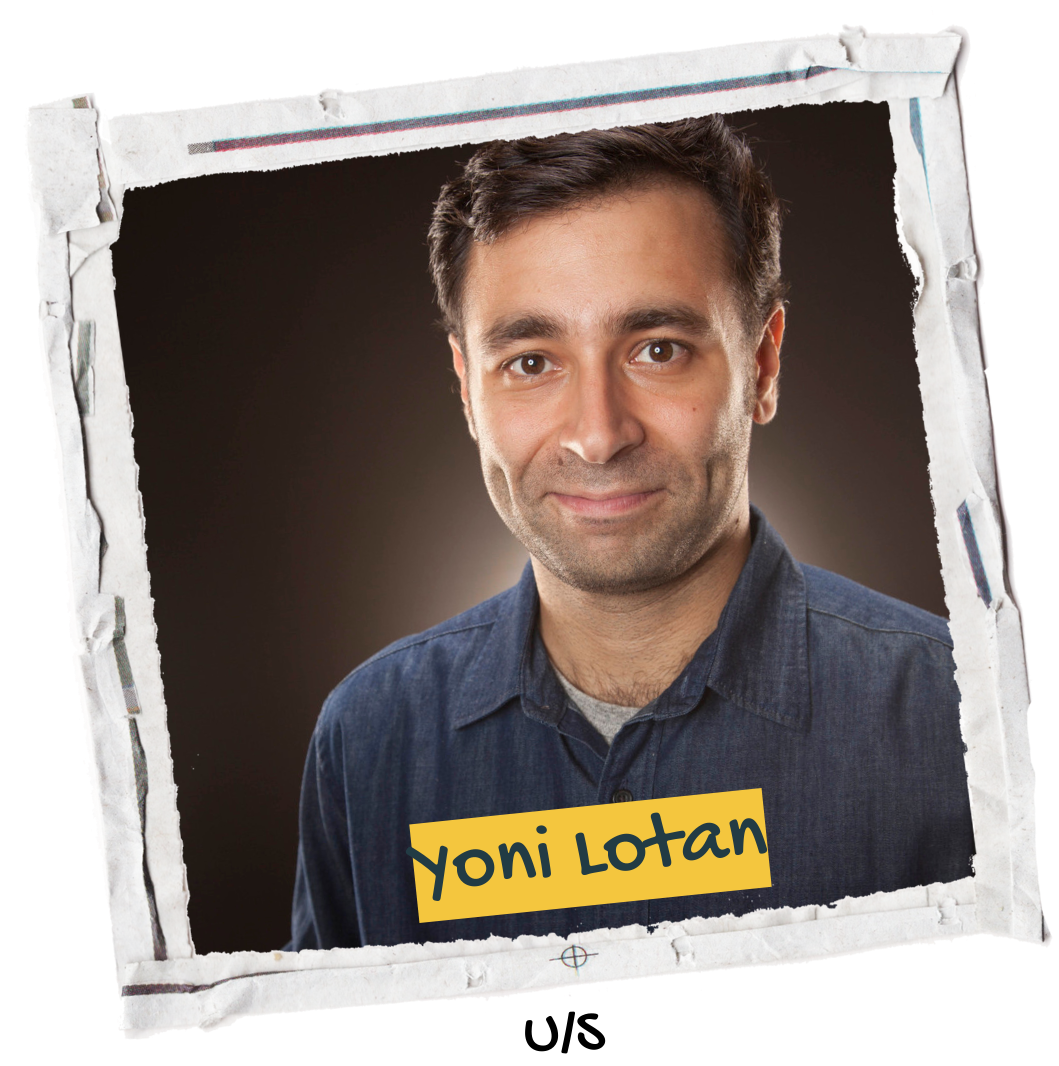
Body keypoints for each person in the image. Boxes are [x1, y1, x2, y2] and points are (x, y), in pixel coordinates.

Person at [287, 115, 975, 951]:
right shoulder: (369, 739)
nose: (598, 435)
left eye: (658, 349)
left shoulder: (961, 724)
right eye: (531, 362)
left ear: (762, 364)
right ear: (468, 390)